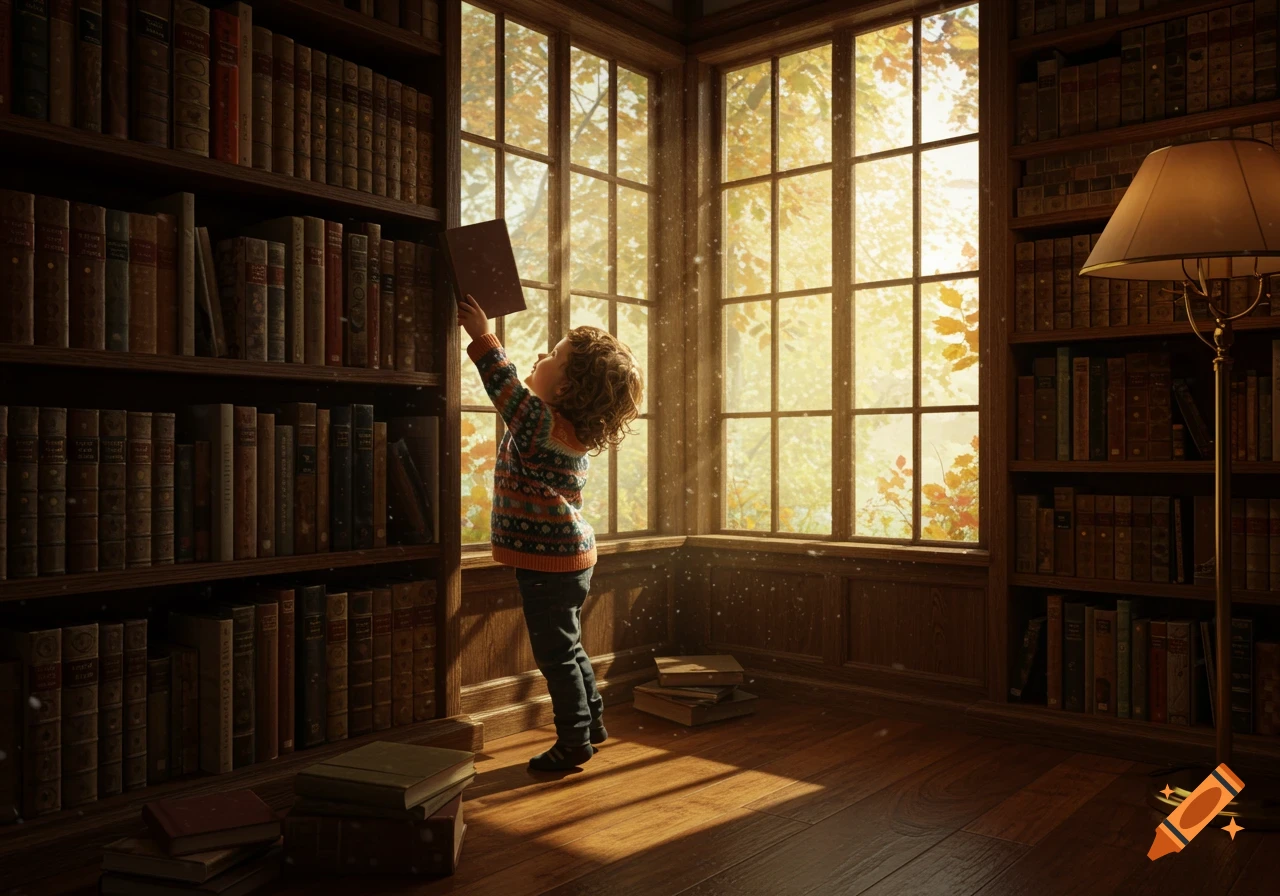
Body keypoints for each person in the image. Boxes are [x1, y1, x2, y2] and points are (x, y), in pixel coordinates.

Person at [457, 294, 643, 770]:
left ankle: (574, 740)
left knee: (555, 654)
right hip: (571, 559)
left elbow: (503, 385)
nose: (539, 358)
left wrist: (482, 335)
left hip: (549, 562)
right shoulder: (566, 429)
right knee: (570, 645)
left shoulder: (539, 423)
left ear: (566, 389)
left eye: (552, 357)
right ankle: (593, 721)